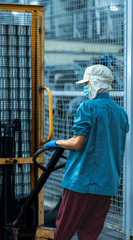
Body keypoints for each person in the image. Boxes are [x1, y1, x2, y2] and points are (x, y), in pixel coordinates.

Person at [44, 65, 129, 240]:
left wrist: (56, 142)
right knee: (89, 234)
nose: (85, 87)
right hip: (107, 185)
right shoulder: (121, 113)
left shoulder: (87, 107)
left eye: (87, 83)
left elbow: (77, 143)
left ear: (95, 84)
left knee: (63, 232)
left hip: (81, 182)